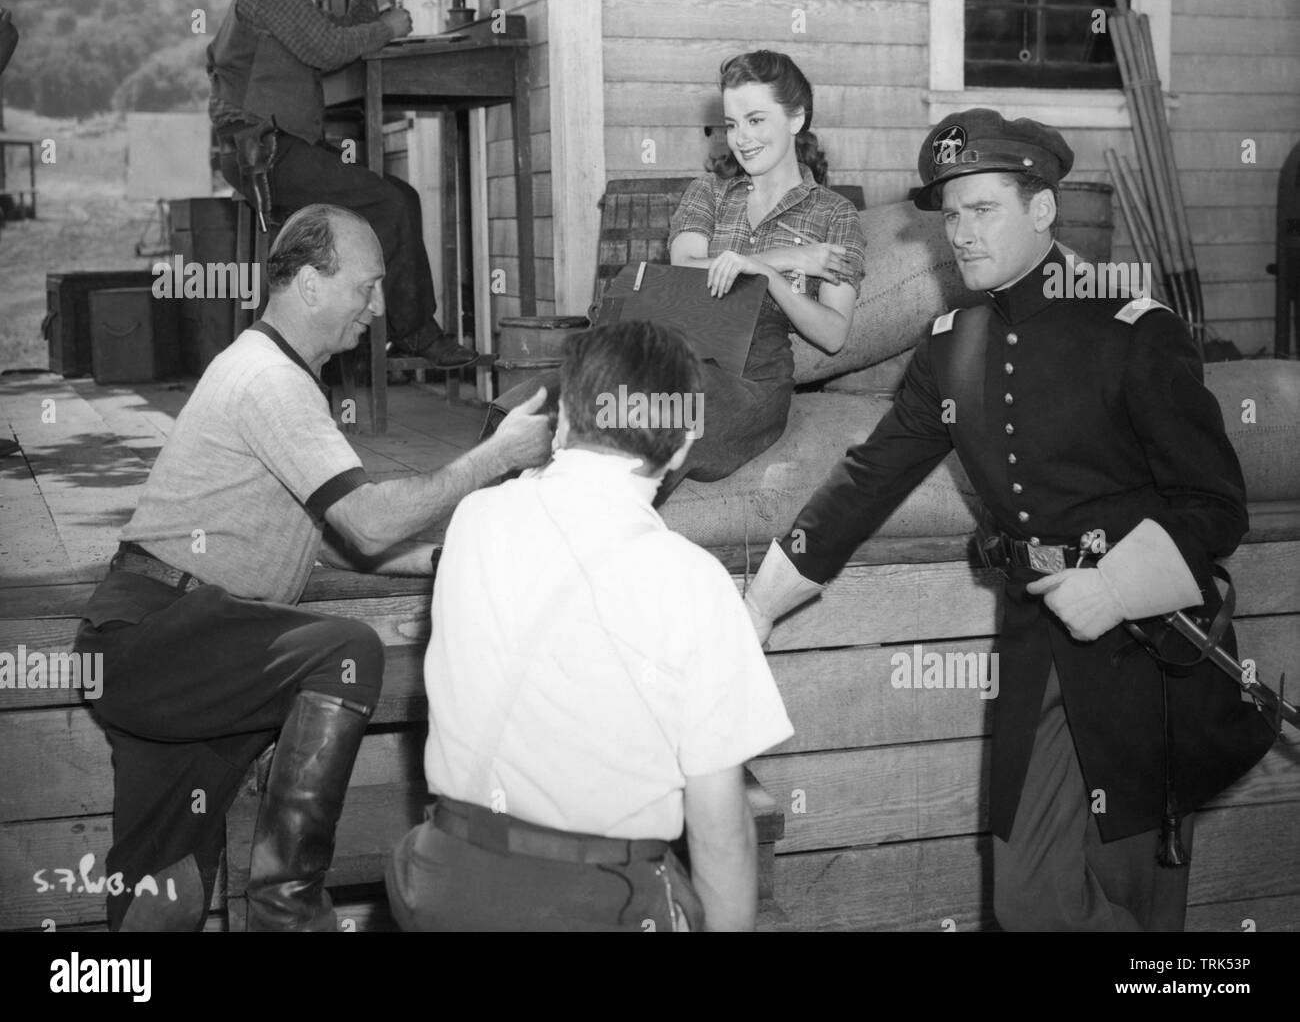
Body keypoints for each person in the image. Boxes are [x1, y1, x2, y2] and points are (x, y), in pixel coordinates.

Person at [742, 109, 1276, 931]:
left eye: (983, 208)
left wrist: (1116, 587)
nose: (961, 232)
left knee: (1136, 895)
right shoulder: (953, 343)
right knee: (1029, 898)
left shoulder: (1134, 331)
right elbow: (866, 478)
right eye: (950, 214)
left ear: (1043, 209)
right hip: (1036, 656)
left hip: (1152, 657)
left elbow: (1215, 506)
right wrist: (761, 604)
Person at [74, 204, 552, 932]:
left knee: (163, 888)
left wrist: (443, 558)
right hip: (162, 629)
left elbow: (326, 536)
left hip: (177, 644)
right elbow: (365, 518)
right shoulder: (273, 380)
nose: (378, 306)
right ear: (306, 284)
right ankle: (288, 910)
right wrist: (495, 455)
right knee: (348, 653)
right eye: (367, 285)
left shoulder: (266, 369)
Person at [386, 320, 794, 931]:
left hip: (444, 882)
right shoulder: (693, 580)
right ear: (683, 447)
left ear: (565, 423)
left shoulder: (476, 520)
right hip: (599, 900)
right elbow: (722, 834)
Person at [207, 0, 474, 366]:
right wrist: (388, 26)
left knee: (402, 197)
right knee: (386, 202)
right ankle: (413, 333)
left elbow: (341, 36)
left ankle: (393, 331)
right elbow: (331, 49)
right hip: (260, 152)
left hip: (280, 147)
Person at [658, 49, 866, 500]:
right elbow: (684, 272)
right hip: (683, 348)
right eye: (732, 124)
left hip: (753, 379)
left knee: (651, 430)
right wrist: (789, 259)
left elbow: (833, 334)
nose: (741, 139)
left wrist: (763, 273)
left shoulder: (834, 215)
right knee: (559, 400)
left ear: (796, 118)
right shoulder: (709, 194)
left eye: (755, 120)